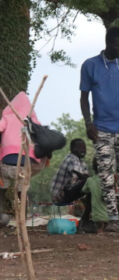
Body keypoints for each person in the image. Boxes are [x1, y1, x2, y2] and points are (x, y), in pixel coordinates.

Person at [0, 92, 46, 223]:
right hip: (25, 166)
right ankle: (23, 221)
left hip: (7, 164)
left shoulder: (8, 118)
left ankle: (0, 218)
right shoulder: (33, 121)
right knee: (22, 192)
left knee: (2, 189)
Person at [80, 26, 119, 232]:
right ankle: (113, 218)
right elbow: (84, 98)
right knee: (105, 174)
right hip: (102, 128)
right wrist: (88, 123)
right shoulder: (90, 65)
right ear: (109, 43)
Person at [50, 139, 93, 230]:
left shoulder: (82, 163)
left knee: (91, 185)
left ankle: (88, 218)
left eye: (84, 148)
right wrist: (89, 179)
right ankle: (85, 220)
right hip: (60, 195)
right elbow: (79, 177)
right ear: (73, 149)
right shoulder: (71, 159)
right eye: (80, 148)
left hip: (69, 192)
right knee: (91, 183)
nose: (83, 150)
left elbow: (84, 177)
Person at [82, 157, 109, 233]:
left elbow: (84, 191)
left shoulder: (90, 180)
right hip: (110, 217)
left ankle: (100, 223)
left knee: (90, 194)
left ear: (93, 168)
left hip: (96, 217)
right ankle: (106, 222)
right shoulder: (108, 180)